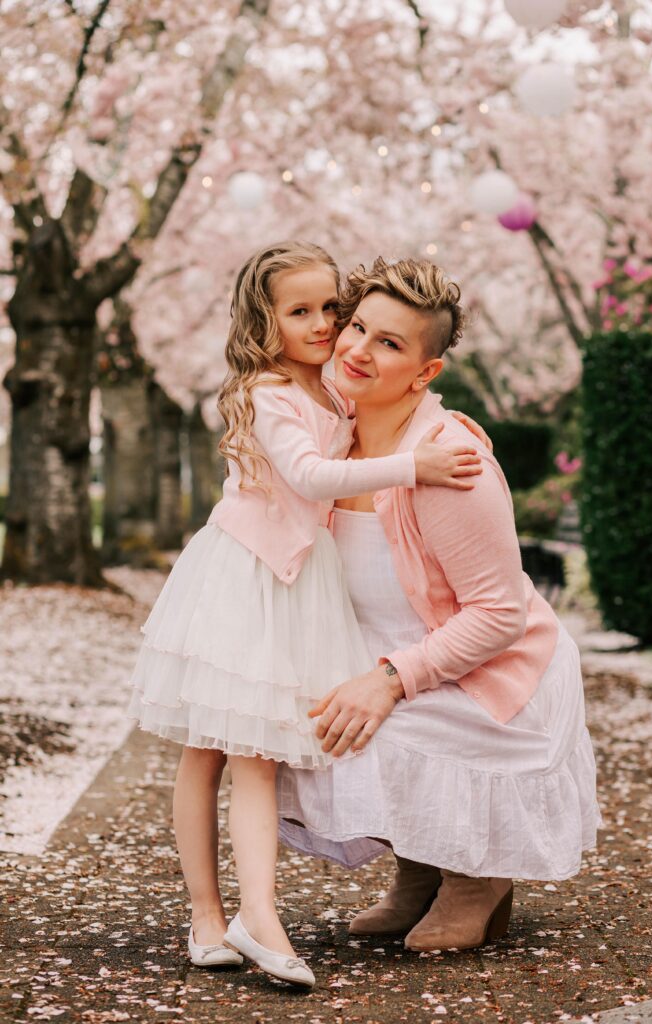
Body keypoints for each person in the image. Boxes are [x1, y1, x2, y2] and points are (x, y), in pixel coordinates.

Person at [127, 241, 488, 987]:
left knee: (259, 756)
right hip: (245, 577)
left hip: (298, 583)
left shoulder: (330, 384)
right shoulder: (266, 393)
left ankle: (257, 915)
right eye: (302, 312)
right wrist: (411, 466)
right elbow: (309, 474)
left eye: (334, 308)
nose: (326, 325)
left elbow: (392, 390)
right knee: (207, 752)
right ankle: (206, 914)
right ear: (265, 320)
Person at [277, 256, 602, 951]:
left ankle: (475, 880)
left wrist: (389, 679)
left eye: (389, 343)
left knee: (367, 725)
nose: (357, 350)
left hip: (489, 676)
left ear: (424, 373)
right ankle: (419, 870)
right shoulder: (335, 440)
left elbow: (497, 617)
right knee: (302, 714)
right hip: (398, 654)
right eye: (357, 327)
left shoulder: (451, 465)